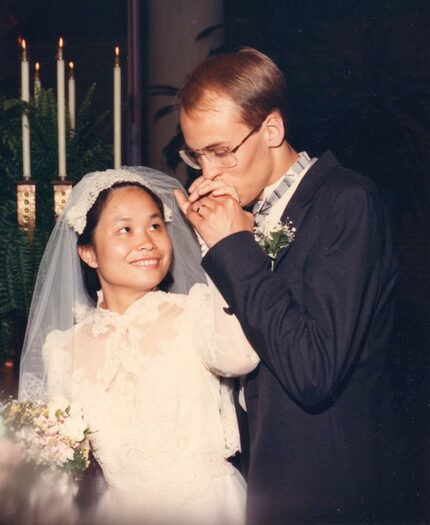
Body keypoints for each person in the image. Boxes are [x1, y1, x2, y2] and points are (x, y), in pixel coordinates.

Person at [175, 48, 398, 524]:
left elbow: (313, 371)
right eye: (196, 155)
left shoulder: (346, 202)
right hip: (261, 479)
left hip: (323, 489)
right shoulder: (245, 211)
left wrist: (234, 248)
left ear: (272, 130)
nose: (208, 172)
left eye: (221, 151)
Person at [18, 167, 259, 525]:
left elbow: (241, 358)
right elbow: (58, 467)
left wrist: (219, 245)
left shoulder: (195, 309)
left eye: (155, 226)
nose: (146, 241)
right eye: (125, 229)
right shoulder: (62, 350)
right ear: (89, 254)